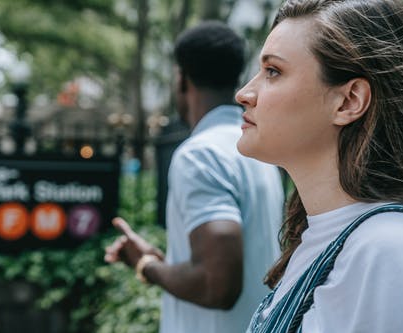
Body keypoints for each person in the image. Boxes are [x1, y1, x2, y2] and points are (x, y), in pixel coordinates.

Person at [234, 0, 403, 332]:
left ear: (348, 101)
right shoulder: (323, 236)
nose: (244, 93)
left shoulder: (385, 250)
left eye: (273, 71)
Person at [105, 21, 285, 333]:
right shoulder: (257, 154)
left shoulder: (200, 154)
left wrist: (146, 266)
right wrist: (167, 262)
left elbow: (217, 285)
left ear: (181, 79)